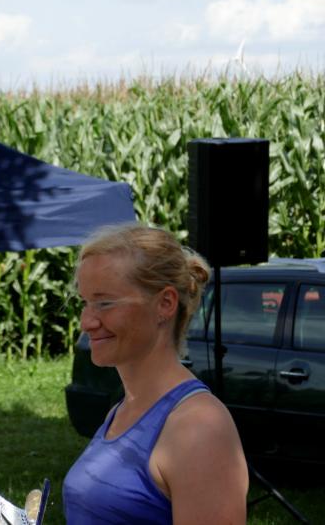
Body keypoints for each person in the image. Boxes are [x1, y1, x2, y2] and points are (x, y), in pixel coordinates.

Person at [62, 224, 248, 524]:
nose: (87, 322)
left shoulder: (200, 428)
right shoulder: (122, 411)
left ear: (165, 304)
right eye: (86, 303)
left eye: (105, 303)